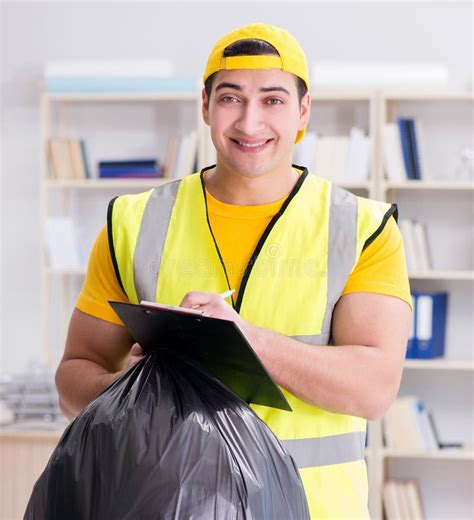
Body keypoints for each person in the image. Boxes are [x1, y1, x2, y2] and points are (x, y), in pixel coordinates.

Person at [55, 23, 412, 518]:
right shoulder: (132, 224)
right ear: (205, 106)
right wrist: (125, 387)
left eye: (272, 100)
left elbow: (374, 389)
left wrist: (245, 339)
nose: (249, 122)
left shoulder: (360, 229)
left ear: (303, 111)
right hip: (166, 506)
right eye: (230, 98)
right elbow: (73, 376)